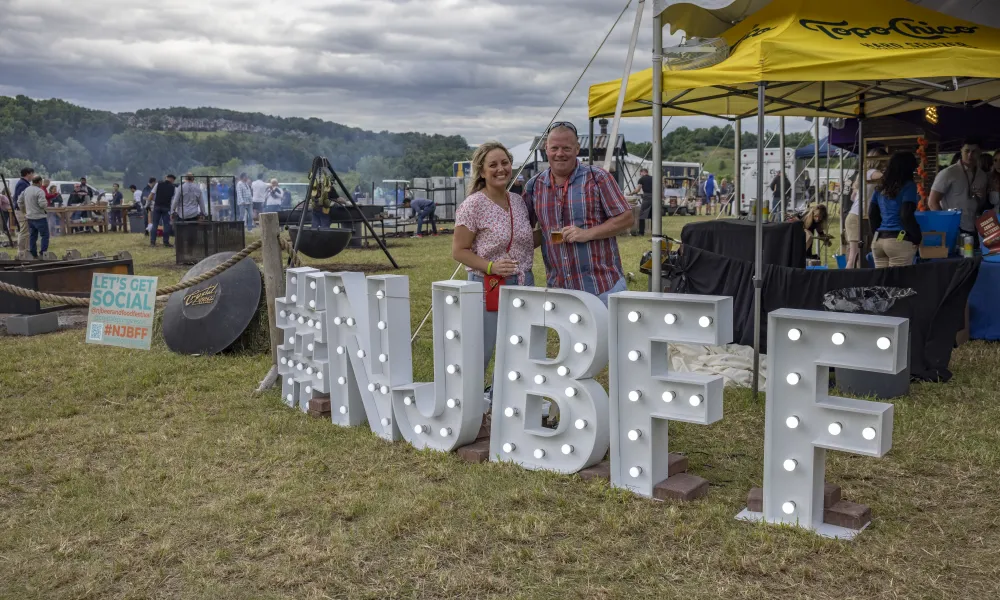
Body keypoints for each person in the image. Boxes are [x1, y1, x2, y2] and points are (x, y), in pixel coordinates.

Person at [523, 123, 634, 305]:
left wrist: (587, 233)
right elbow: (524, 231)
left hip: (603, 287)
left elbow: (626, 218)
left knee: (609, 335)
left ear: (577, 149)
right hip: (559, 290)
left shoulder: (598, 178)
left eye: (566, 148)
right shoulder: (534, 185)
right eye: (555, 148)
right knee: (568, 335)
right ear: (546, 149)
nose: (560, 153)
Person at [453, 141, 536, 374]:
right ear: (482, 171)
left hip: (523, 284)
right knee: (482, 348)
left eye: (505, 163)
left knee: (521, 348)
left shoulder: (518, 202)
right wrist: (491, 266)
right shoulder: (473, 205)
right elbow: (459, 251)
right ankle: (471, 403)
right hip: (488, 285)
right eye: (493, 165)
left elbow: (523, 241)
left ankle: (504, 400)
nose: (501, 169)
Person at [870, 152, 922, 268]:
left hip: (879, 240)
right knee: (898, 283)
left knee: (882, 283)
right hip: (899, 240)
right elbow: (906, 214)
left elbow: (872, 214)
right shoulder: (909, 186)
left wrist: (878, 234)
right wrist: (916, 237)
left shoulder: (880, 187)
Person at [929, 138, 989, 237]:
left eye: (974, 152)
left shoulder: (982, 175)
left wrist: (981, 197)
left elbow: (980, 204)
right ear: (961, 151)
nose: (970, 155)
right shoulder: (948, 173)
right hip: (952, 227)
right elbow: (932, 202)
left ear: (980, 152)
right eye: (967, 151)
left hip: (973, 226)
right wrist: (945, 225)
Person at [845, 149, 886, 269]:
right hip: (857, 217)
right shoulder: (872, 173)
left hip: (857, 215)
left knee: (858, 256)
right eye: (884, 161)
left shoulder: (863, 174)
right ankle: (845, 281)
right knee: (854, 257)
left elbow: (853, 197)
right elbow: (888, 178)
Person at [22, 176, 49, 258]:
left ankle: (33, 254)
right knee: (44, 235)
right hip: (39, 217)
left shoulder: (27, 190)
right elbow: (42, 204)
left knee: (33, 236)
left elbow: (20, 201)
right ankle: (42, 253)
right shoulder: (40, 191)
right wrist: (46, 205)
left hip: (30, 217)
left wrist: (24, 211)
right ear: (40, 182)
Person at [148, 174, 177, 247]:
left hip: (157, 206)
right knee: (166, 225)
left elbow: (151, 195)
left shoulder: (158, 184)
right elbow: (174, 200)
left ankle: (152, 242)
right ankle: (166, 242)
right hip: (166, 208)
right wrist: (173, 210)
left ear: (166, 178)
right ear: (173, 180)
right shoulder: (174, 188)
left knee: (155, 224)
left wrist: (149, 204)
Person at [13, 167, 34, 252]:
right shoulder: (22, 184)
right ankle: (21, 251)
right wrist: (25, 211)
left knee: (26, 231)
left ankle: (26, 250)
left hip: (24, 210)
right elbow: (20, 199)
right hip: (22, 211)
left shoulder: (25, 183)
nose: (33, 176)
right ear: (28, 174)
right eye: (32, 174)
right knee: (24, 231)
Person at [630, 167, 654, 235]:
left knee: (642, 215)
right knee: (653, 215)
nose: (640, 174)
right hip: (655, 197)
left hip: (647, 198)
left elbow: (637, 190)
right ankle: (654, 231)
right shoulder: (653, 178)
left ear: (642, 172)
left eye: (640, 173)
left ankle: (641, 232)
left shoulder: (641, 179)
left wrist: (630, 193)